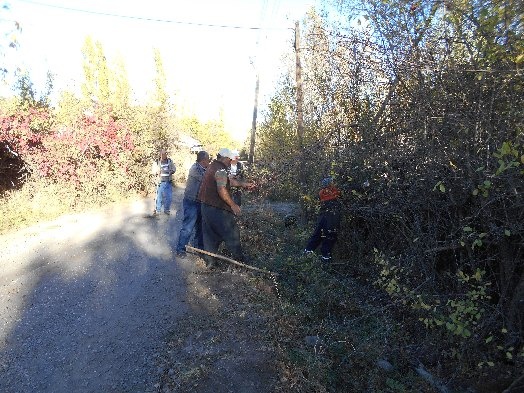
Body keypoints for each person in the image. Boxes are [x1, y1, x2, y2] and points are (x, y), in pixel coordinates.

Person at [198, 148, 255, 268]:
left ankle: (211, 263)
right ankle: (240, 262)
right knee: (232, 233)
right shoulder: (220, 169)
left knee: (210, 235)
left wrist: (244, 184)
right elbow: (222, 189)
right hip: (216, 208)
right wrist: (233, 205)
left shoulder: (212, 166)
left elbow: (229, 181)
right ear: (225, 158)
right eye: (229, 160)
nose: (230, 162)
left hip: (205, 206)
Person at [175, 150, 210, 258]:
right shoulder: (194, 169)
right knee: (188, 227)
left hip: (199, 202)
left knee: (199, 227)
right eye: (208, 160)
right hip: (191, 202)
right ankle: (180, 249)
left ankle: (198, 249)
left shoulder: (204, 168)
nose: (209, 161)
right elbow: (207, 179)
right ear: (204, 160)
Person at [304, 177, 342, 262]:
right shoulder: (335, 192)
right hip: (331, 218)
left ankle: (307, 252)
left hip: (322, 217)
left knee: (317, 234)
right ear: (331, 184)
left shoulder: (321, 193)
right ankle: (326, 258)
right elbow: (340, 194)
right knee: (330, 236)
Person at [151, 148, 176, 215]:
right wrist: (157, 172)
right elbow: (153, 171)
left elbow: (174, 168)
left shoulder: (170, 161)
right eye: (162, 154)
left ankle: (167, 210)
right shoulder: (156, 162)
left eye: (165, 153)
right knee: (159, 197)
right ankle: (157, 210)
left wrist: (172, 171)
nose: (164, 155)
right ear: (160, 154)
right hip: (160, 182)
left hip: (168, 182)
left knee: (169, 197)